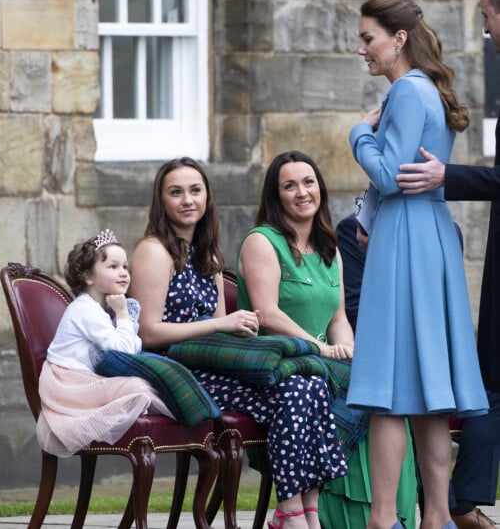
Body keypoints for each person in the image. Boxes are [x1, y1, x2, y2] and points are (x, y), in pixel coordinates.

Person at [129, 156, 349, 529]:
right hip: (176, 371)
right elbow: (148, 333)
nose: (188, 200)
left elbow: (220, 331)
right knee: (294, 389)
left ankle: (307, 510)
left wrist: (235, 328)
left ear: (207, 198)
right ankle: (292, 512)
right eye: (176, 192)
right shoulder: (154, 251)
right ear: (161, 201)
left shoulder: (208, 254)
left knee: (309, 383)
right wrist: (221, 324)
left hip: (212, 364)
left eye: (196, 191)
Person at [346, 0, 489, 529]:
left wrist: (360, 133)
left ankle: (382, 520)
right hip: (431, 235)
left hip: (406, 236)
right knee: (430, 390)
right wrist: (368, 217)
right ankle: (435, 518)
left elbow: (390, 176)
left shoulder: (406, 91)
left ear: (398, 39)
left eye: (368, 39)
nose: (363, 49)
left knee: (387, 390)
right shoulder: (427, 90)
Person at [236, 151, 417, 529]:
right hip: (279, 362)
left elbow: (338, 319)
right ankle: (338, 515)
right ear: (275, 195)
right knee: (348, 391)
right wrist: (321, 348)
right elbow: (267, 313)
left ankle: (386, 515)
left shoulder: (328, 247)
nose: (302, 192)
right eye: (289, 185)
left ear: (320, 188)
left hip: (323, 361)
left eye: (308, 182)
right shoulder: (262, 241)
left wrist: (348, 349)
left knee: (381, 388)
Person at [395, 0, 500, 529]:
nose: (484, 29)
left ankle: (451, 504)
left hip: (434, 234)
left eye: (487, 17)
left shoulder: (409, 91)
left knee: (488, 386)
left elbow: (394, 175)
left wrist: (445, 176)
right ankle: (455, 504)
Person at [36, 230, 174, 457]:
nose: (123, 274)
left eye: (125, 267)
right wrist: (122, 313)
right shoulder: (85, 309)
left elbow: (132, 348)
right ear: (88, 276)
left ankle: (182, 420)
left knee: (146, 384)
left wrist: (120, 314)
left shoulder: (101, 310)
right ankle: (179, 419)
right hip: (69, 386)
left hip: (85, 382)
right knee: (138, 388)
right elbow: (124, 351)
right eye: (113, 267)